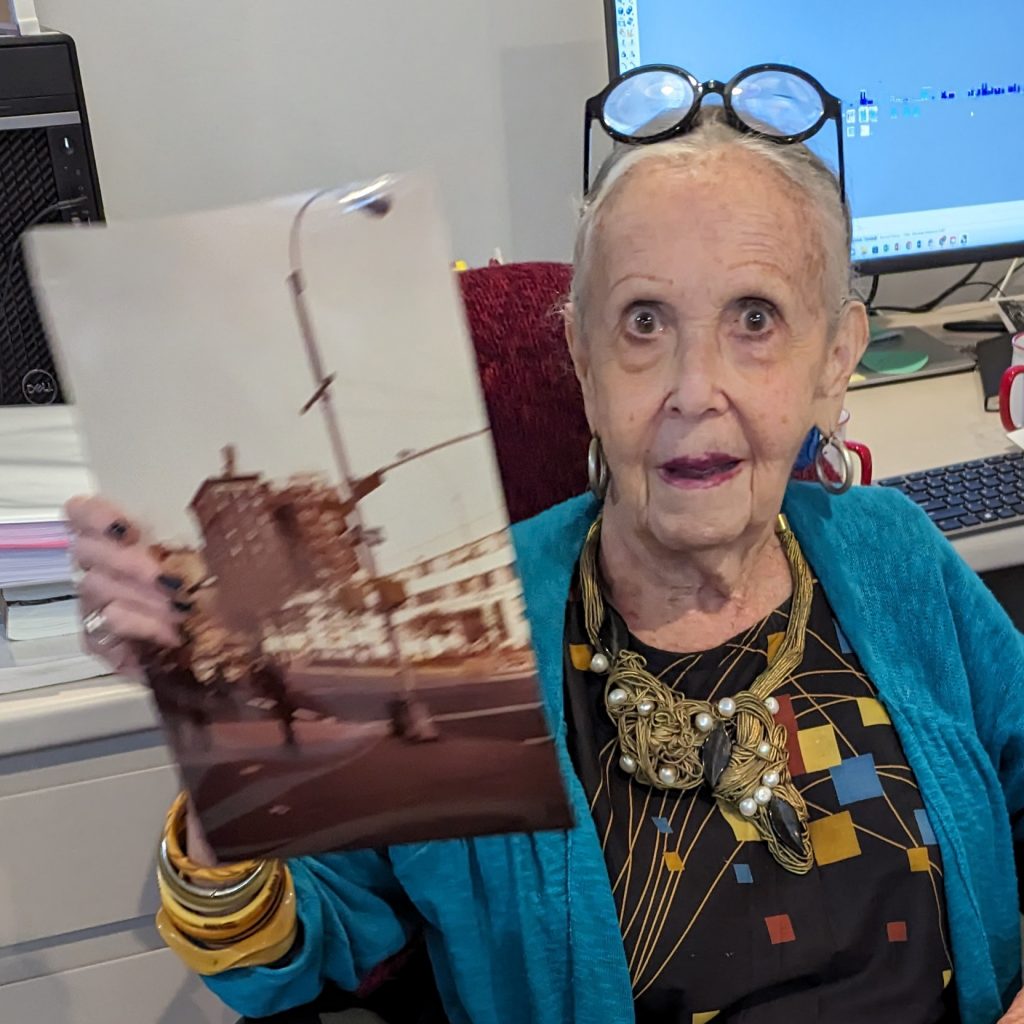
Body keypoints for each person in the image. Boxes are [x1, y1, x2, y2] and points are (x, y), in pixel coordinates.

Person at [67, 85, 1024, 1023]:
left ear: (834, 355)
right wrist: (216, 733)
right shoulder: (462, 638)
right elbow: (289, 957)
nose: (696, 388)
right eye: (643, 323)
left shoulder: (892, 557)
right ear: (580, 358)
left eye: (755, 319)